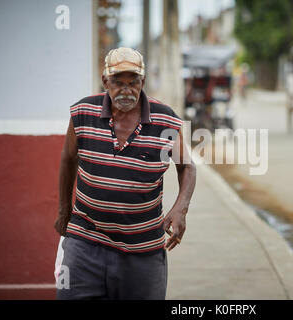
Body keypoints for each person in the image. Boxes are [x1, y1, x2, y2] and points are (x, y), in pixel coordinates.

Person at [54, 47, 196, 300]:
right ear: (105, 82)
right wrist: (64, 209)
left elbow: (186, 167)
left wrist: (180, 208)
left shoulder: (166, 121)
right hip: (85, 242)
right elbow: (68, 159)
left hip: (143, 252)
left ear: (143, 82)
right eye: (118, 82)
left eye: (134, 82)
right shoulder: (82, 113)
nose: (126, 90)